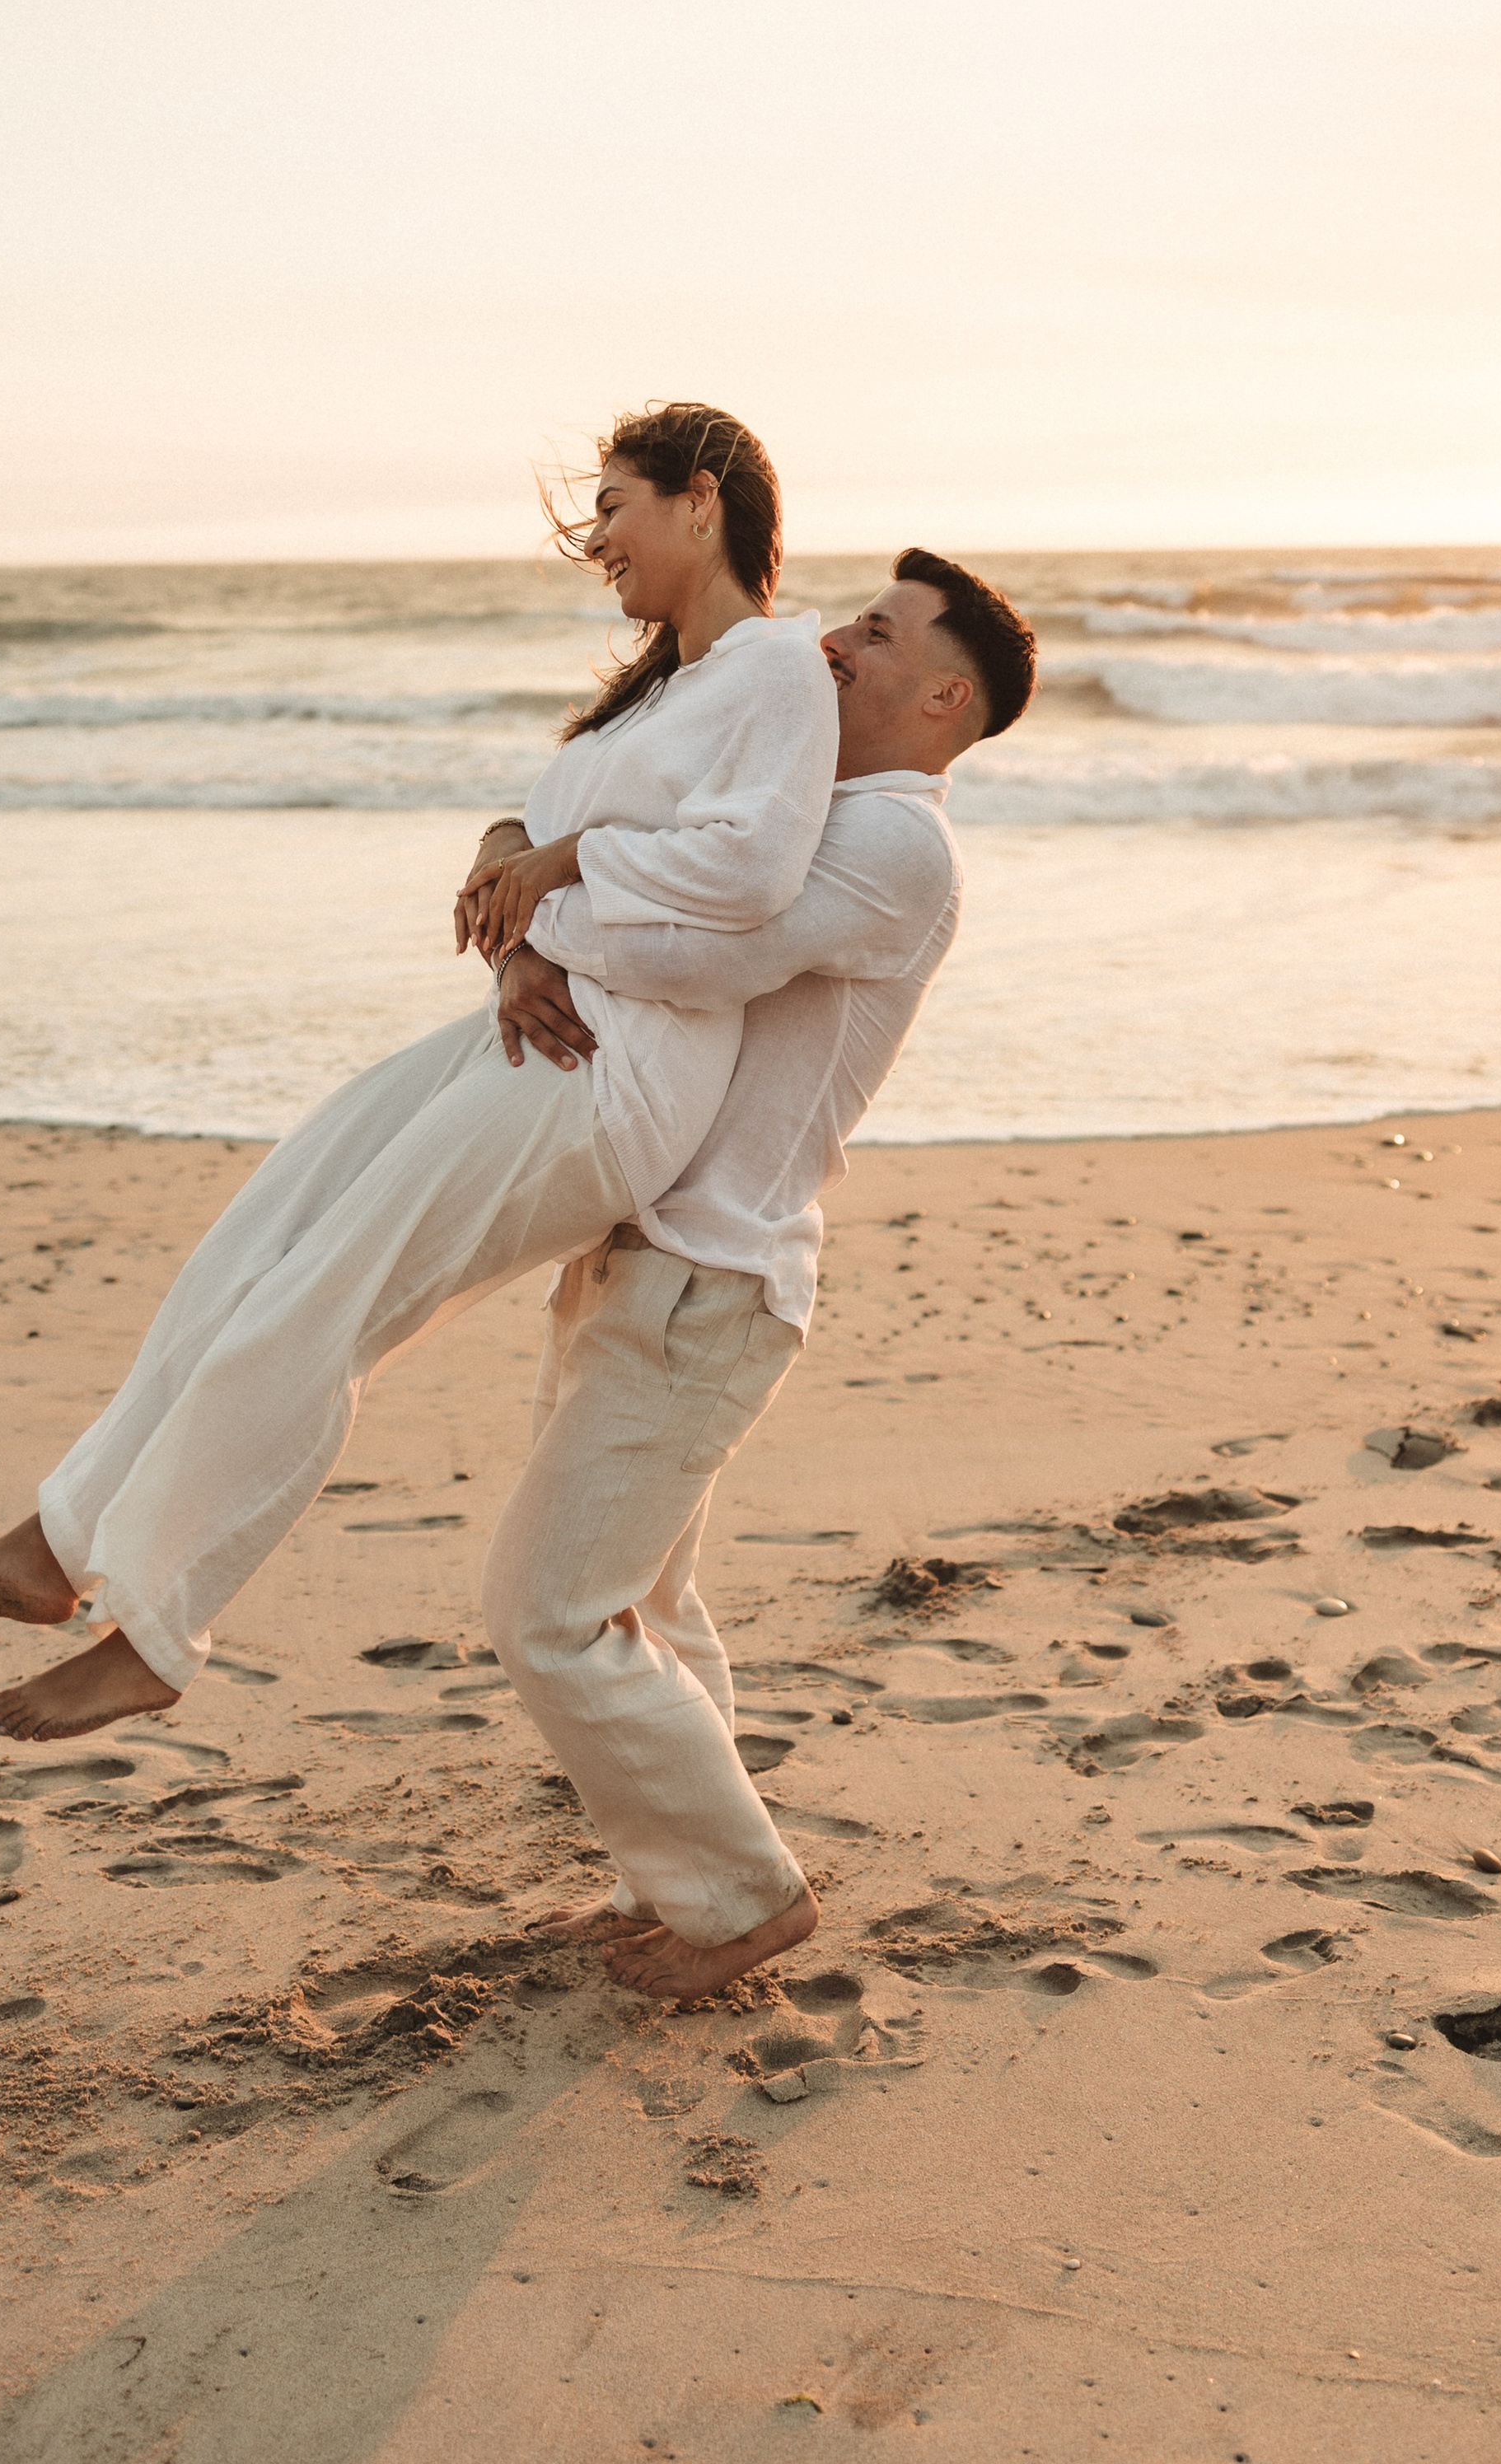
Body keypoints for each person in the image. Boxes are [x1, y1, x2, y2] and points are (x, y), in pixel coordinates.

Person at [0, 404, 840, 1742]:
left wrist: (558, 873)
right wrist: (517, 914)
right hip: (538, 1026)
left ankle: (153, 1624)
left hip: (617, 1075)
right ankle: (57, 1541)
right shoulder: (666, 682)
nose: (595, 541)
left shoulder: (779, 671)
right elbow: (524, 834)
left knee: (325, 1300)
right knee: (258, 1240)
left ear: (703, 500)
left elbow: (749, 872)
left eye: (614, 507)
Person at [478, 550, 1037, 1996]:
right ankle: (677, 1880)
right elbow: (589, 847)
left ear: (945, 694)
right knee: (648, 1610)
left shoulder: (896, 843)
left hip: (709, 1279)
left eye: (882, 631)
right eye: (853, 613)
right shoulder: (799, 804)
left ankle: (746, 1901)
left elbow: (688, 958)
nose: (839, 639)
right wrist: (522, 923)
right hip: (642, 1255)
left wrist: (538, 905)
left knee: (547, 1612)